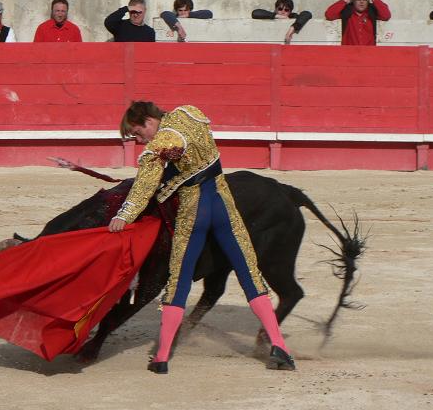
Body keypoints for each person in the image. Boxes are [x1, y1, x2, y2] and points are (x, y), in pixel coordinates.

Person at [109, 101, 296, 374]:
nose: (140, 140)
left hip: (194, 210)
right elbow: (195, 157)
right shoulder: (190, 113)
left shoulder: (161, 143)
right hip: (222, 202)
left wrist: (124, 215)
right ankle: (279, 346)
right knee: (249, 274)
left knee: (179, 280)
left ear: (149, 121)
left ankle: (161, 357)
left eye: (138, 132)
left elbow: (145, 185)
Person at [325, 0, 391, 46]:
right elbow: (329, 15)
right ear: (353, 0)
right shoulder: (346, 11)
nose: (361, 1)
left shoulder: (372, 11)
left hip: (369, 52)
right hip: (348, 52)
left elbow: (386, 16)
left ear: (368, 1)